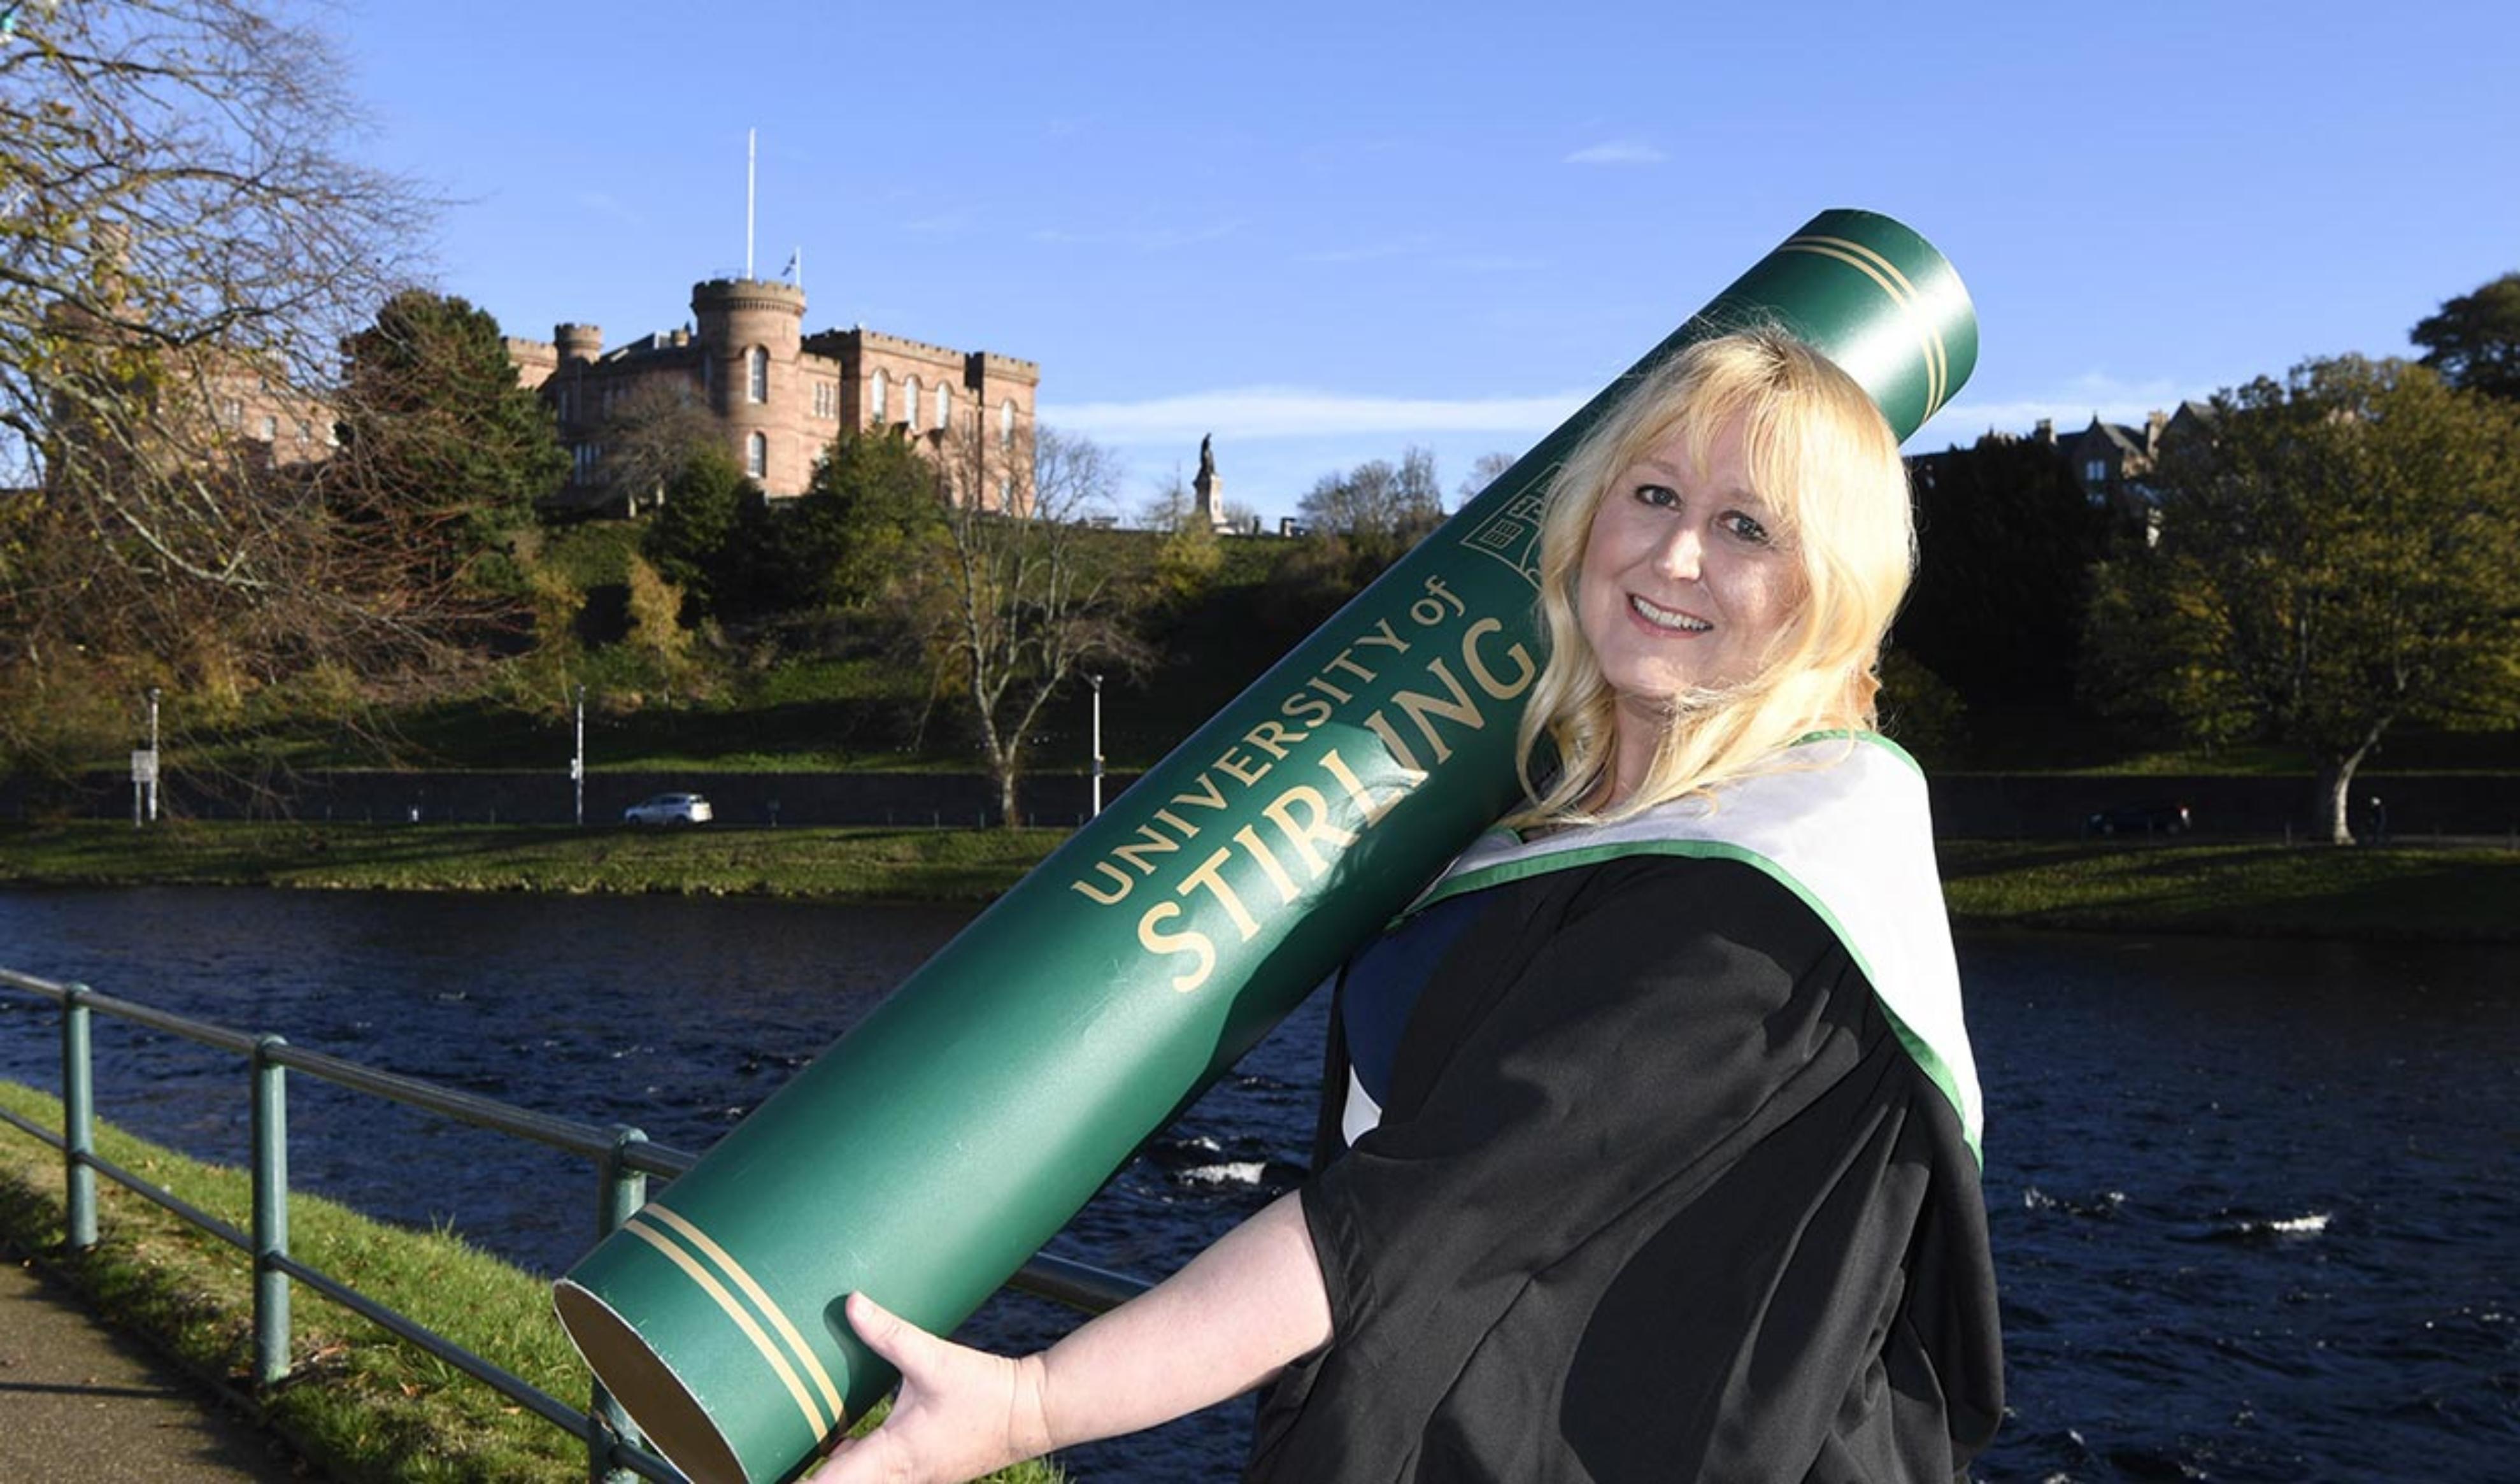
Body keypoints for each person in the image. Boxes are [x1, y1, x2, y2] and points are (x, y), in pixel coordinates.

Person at [812, 327, 2004, 1483]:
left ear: (1827, 593)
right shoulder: (1566, 819)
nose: (1673, 554)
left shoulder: (1762, 914)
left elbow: (1404, 1218)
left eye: (1746, 526)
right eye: (1651, 494)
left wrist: (1029, 1403)